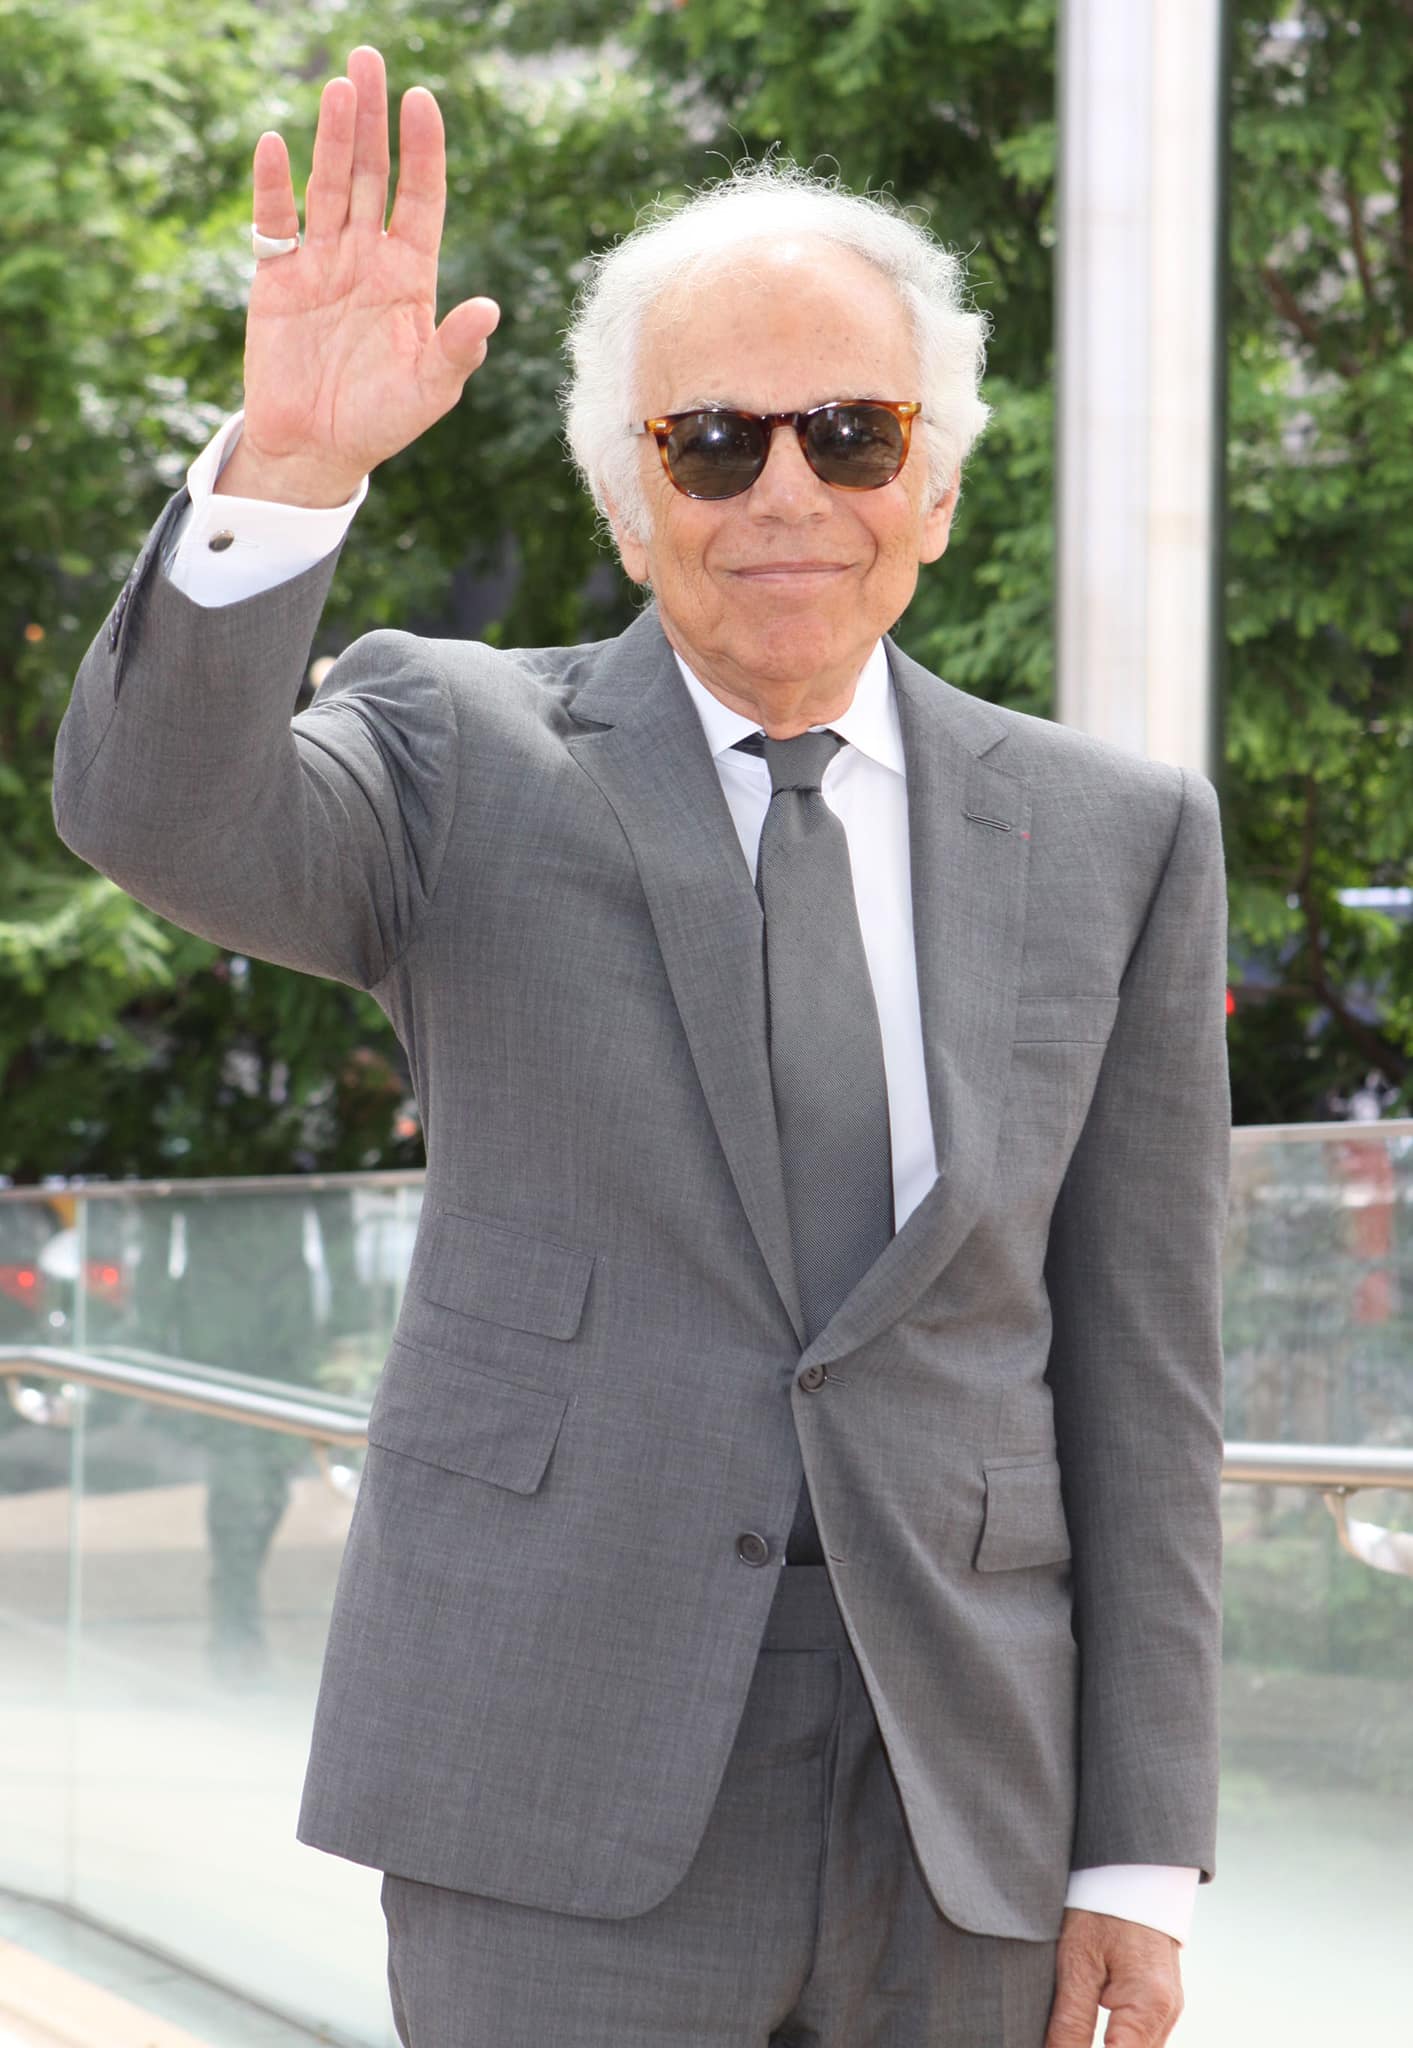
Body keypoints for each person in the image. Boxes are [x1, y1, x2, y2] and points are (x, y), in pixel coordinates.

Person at [52, 45, 1230, 2048]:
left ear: (929, 481)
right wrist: (290, 467)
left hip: (964, 1815)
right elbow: (155, 811)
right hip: (552, 1779)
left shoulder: (1114, 831)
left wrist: (1132, 1852)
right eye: (710, 440)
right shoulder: (450, 745)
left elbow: (1138, 1373)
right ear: (625, 492)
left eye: (848, 433)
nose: (786, 489)